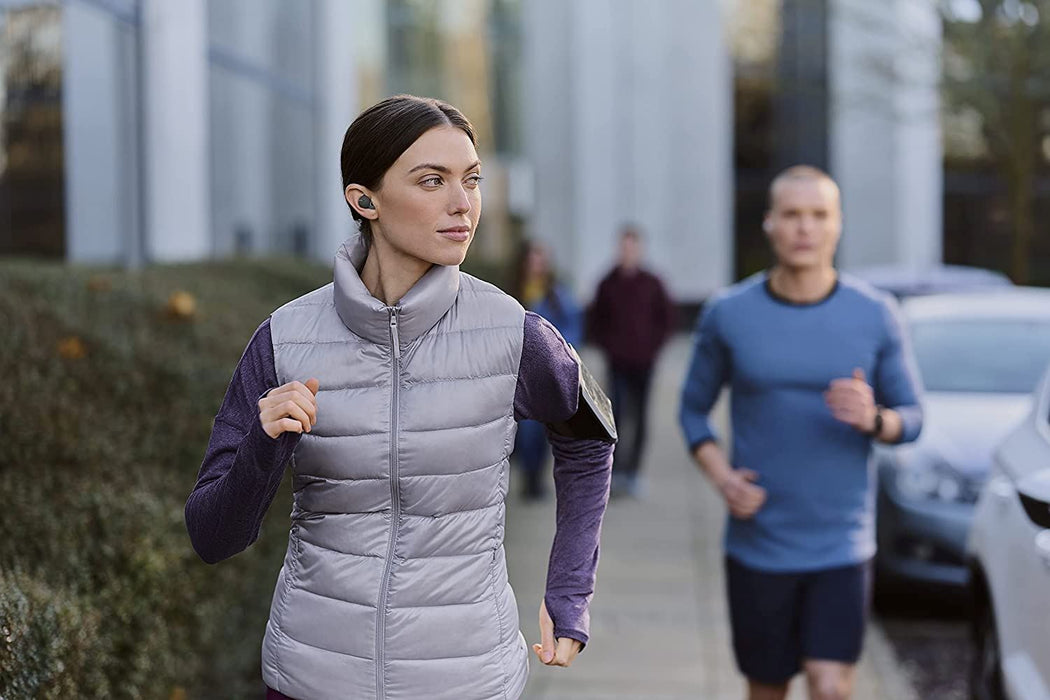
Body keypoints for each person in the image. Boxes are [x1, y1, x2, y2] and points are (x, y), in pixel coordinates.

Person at [185, 95, 616, 700]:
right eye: (432, 181)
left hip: (467, 677)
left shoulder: (514, 333)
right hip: (313, 678)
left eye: (471, 180)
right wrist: (264, 445)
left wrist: (569, 590)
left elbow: (591, 439)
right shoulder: (283, 339)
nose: (463, 203)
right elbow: (212, 537)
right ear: (364, 200)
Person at [678, 165, 924, 700]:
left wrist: (876, 419)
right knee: (768, 688)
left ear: (837, 226)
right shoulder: (729, 313)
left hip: (842, 543)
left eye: (819, 215)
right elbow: (692, 411)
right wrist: (723, 479)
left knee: (830, 685)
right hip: (758, 544)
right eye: (792, 214)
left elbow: (914, 417)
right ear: (770, 223)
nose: (805, 228)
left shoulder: (876, 314)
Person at [587, 226, 675, 497]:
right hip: (618, 363)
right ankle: (617, 472)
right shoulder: (607, 283)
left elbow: (668, 319)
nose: (628, 252)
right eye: (623, 247)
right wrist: (609, 347)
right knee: (616, 417)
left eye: (632, 247)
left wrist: (654, 346)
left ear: (639, 249)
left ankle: (634, 472)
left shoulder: (652, 283)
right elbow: (594, 321)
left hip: (644, 363)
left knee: (641, 418)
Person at [511, 240, 584, 500]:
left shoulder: (557, 295)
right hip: (515, 374)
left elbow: (572, 331)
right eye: (533, 256)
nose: (536, 262)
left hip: (544, 374)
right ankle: (526, 477)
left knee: (538, 431)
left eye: (541, 257)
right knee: (522, 432)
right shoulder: (514, 293)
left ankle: (534, 480)